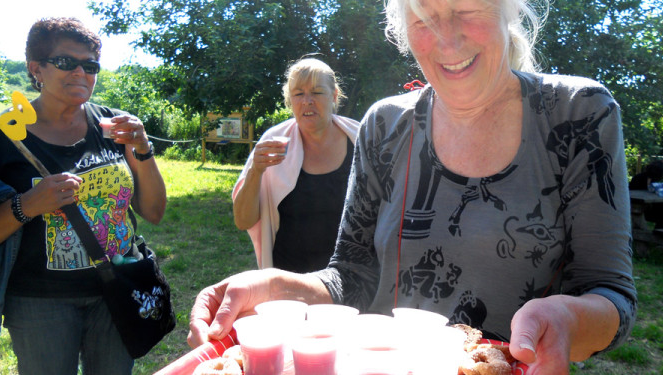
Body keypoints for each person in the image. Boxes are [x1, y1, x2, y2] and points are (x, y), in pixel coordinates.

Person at [188, 0, 637, 373]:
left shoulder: (578, 115)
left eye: (466, 9)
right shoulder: (384, 125)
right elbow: (353, 277)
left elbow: (610, 294)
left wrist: (564, 317)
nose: (446, 38)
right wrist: (277, 285)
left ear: (507, 11)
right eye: (424, 18)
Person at [0, 17, 166, 374]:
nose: (81, 72)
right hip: (38, 300)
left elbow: (154, 212)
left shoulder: (114, 126)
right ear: (36, 69)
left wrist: (142, 148)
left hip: (118, 287)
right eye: (66, 62)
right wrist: (26, 206)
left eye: (90, 65)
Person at [232, 57, 359, 272]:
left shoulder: (360, 140)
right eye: (298, 94)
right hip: (288, 281)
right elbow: (243, 221)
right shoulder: (273, 142)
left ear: (334, 96)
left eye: (317, 92)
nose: (307, 101)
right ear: (290, 101)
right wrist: (256, 170)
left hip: (350, 278)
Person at [629, 160, 663, 228]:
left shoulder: (654, 181)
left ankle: (661, 230)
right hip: (637, 205)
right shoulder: (638, 178)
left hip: (649, 205)